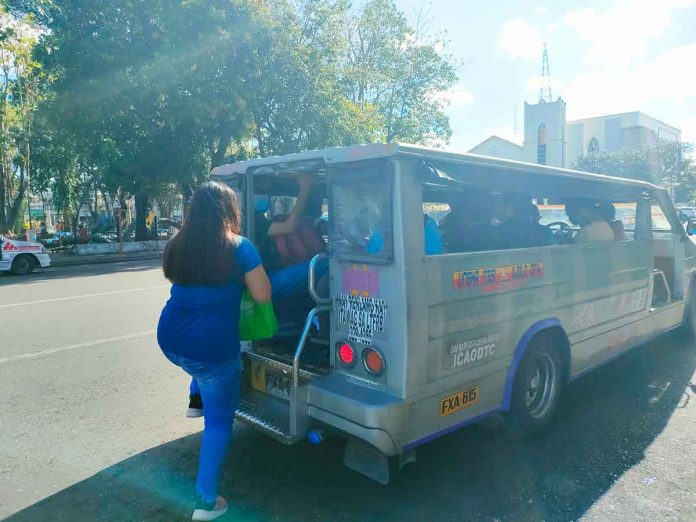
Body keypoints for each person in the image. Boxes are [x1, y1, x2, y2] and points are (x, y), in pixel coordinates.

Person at [157, 181, 271, 521]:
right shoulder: (240, 247)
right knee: (219, 423)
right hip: (211, 349)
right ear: (229, 211)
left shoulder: (178, 244)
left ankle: (196, 398)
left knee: (198, 370)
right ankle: (206, 503)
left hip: (170, 339)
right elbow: (263, 294)